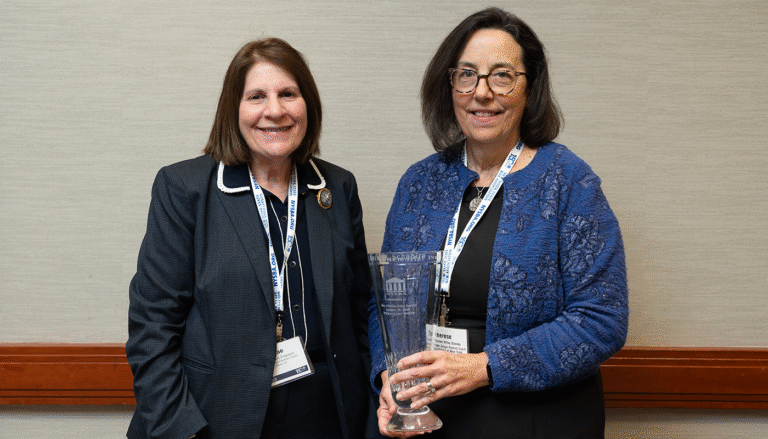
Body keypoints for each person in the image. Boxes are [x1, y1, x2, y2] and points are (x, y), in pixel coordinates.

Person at [369, 8, 628, 439]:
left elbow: (602, 318)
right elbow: (382, 303)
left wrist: (484, 367)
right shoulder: (419, 182)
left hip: (535, 417)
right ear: (449, 85)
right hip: (429, 417)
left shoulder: (569, 182)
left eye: (502, 76)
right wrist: (389, 376)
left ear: (530, 88)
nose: (482, 93)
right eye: (467, 74)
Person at [126, 38, 375, 439]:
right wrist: (183, 429)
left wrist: (373, 413)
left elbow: (362, 312)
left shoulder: (337, 188)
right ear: (234, 110)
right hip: (219, 418)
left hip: (327, 415)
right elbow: (152, 325)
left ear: (307, 104)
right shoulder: (185, 189)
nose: (274, 111)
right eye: (256, 96)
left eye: (288, 94)